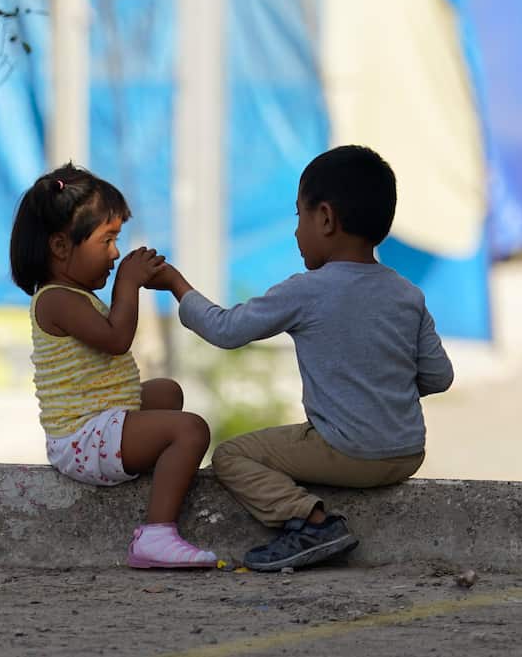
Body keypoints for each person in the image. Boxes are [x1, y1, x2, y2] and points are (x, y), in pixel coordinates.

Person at [147, 145, 454, 571]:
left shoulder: (307, 291)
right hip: (406, 453)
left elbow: (225, 329)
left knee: (231, 455)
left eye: (298, 216)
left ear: (325, 218)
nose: (295, 233)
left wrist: (177, 285)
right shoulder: (407, 294)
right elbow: (439, 377)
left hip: (349, 453)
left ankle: (313, 522)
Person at [9, 163, 218, 569]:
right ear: (60, 247)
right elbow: (116, 338)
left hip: (100, 420)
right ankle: (156, 535)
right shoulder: (56, 300)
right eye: (107, 240)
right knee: (192, 429)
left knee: (167, 392)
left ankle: (153, 459)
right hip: (81, 439)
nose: (116, 253)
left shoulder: (74, 294)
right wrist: (128, 283)